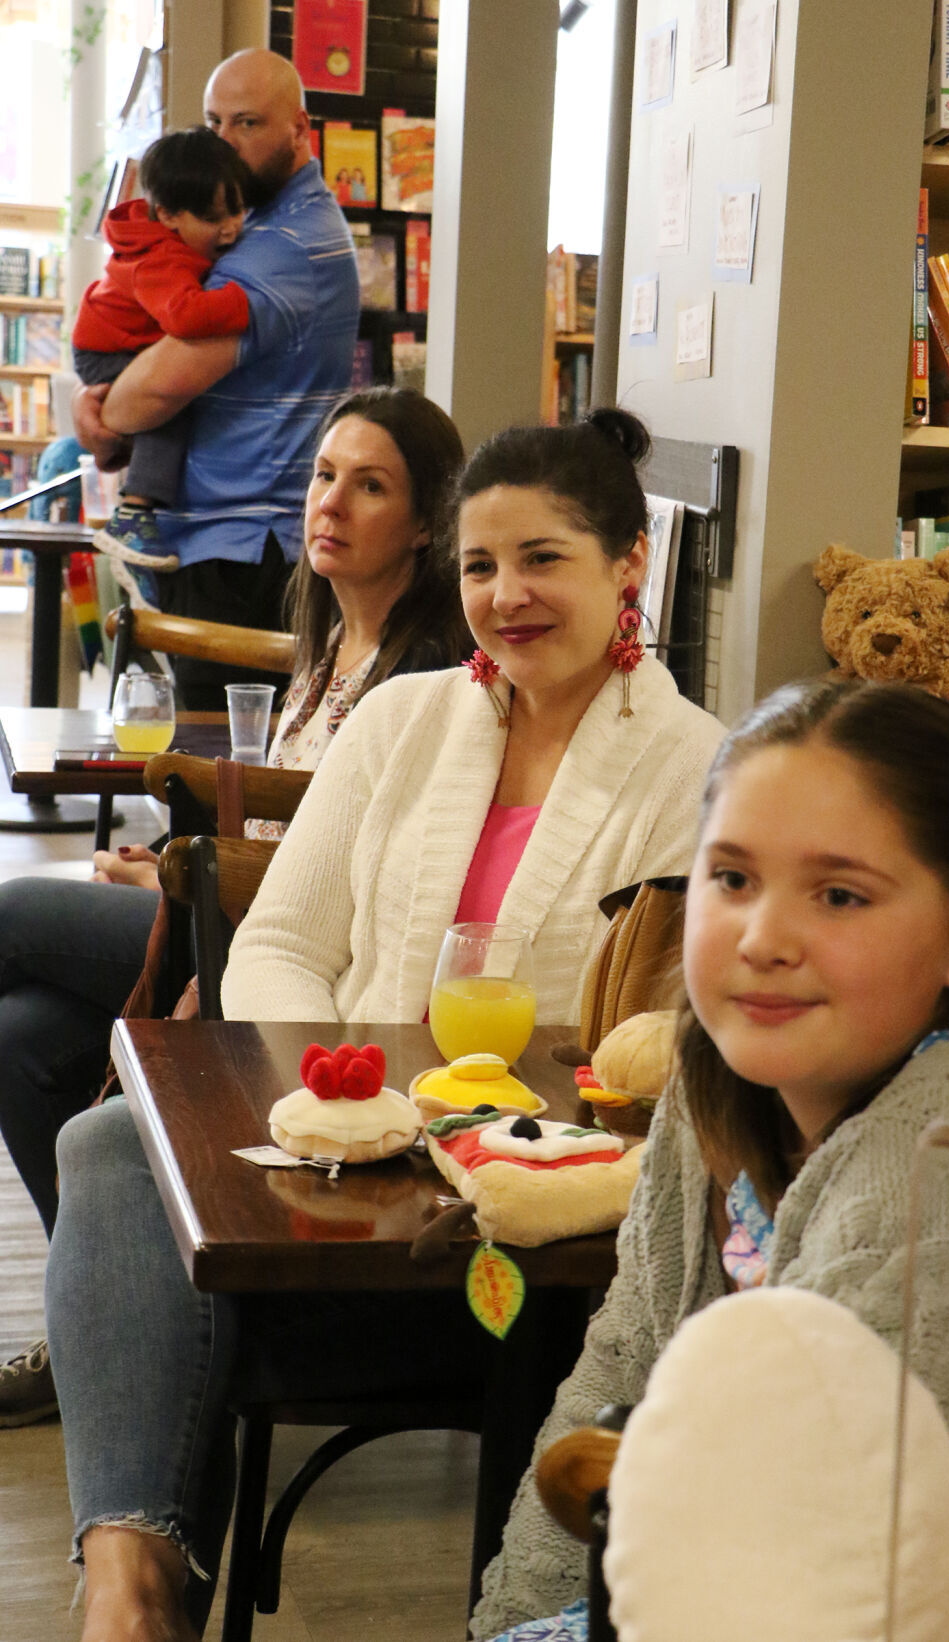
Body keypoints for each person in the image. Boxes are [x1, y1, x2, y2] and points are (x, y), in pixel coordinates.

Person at [44, 408, 725, 1642]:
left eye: (543, 560)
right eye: (477, 565)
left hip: (511, 1232)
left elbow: (646, 1040)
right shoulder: (401, 720)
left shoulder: (695, 768)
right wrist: (335, 1098)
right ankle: (129, 1582)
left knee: (107, 1154)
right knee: (106, 1147)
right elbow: (283, 941)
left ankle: (137, 1595)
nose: (505, 594)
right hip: (325, 1164)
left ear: (628, 563)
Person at [469, 679, 949, 1642]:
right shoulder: (715, 1080)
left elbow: (830, 1590)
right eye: (731, 879)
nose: (762, 940)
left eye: (839, 895)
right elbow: (617, 1370)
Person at [0, 387, 465, 1428]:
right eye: (324, 475)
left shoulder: (424, 677)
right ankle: (107, 1328)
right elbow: (283, 821)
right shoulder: (330, 641)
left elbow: (355, 874)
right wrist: (171, 859)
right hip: (227, 909)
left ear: (428, 524)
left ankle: (147, 1334)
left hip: (275, 956)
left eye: (371, 485)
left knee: (16, 912)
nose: (331, 501)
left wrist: (185, 874)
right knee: (20, 1040)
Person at [74, 48, 360, 709]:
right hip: (232, 543)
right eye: (213, 122)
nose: (224, 142)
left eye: (247, 123)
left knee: (220, 785)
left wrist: (98, 414)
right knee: (214, 784)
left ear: (300, 129)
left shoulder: (283, 246)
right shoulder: (254, 222)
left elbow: (157, 388)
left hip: (248, 551)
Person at [72, 127, 253, 601]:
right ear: (169, 214)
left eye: (238, 209)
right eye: (213, 216)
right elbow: (187, 315)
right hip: (107, 350)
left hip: (117, 341)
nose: (232, 226)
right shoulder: (160, 258)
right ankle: (133, 513)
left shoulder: (169, 244)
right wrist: (244, 302)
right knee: (168, 405)